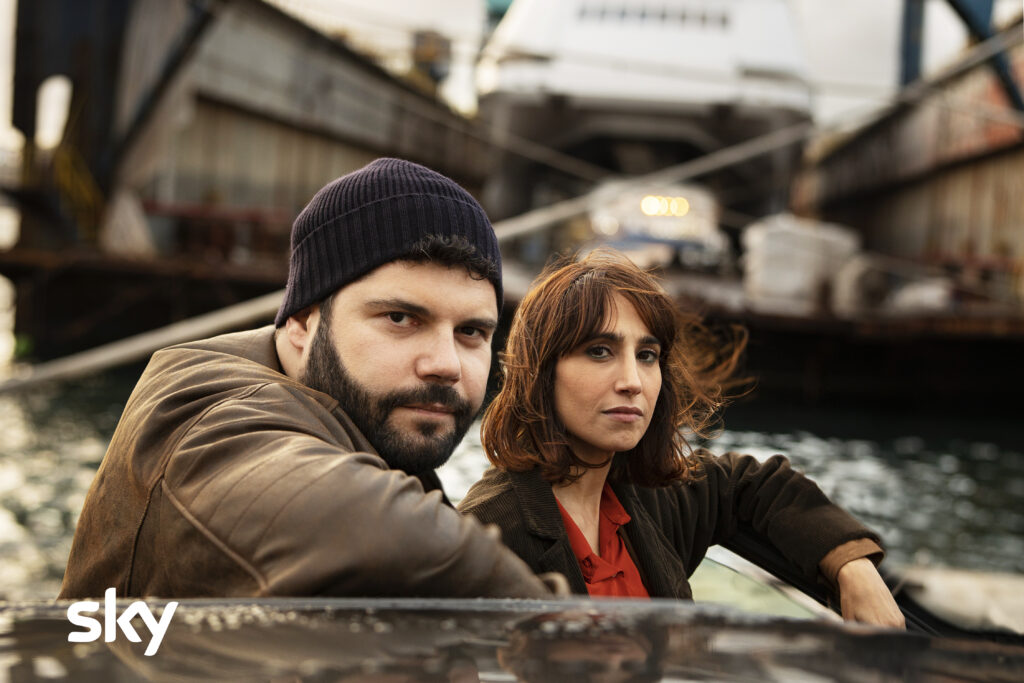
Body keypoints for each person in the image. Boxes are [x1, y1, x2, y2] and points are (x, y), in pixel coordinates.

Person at [59, 158, 556, 600]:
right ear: (301, 321)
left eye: (471, 331)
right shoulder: (205, 422)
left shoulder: (366, 417)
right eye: (400, 319)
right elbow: (394, 537)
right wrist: (549, 624)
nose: (445, 364)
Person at [459, 250, 905, 628]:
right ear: (541, 371)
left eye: (647, 355)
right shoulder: (486, 533)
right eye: (599, 351)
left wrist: (852, 566)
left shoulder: (647, 499)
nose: (633, 381)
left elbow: (754, 484)